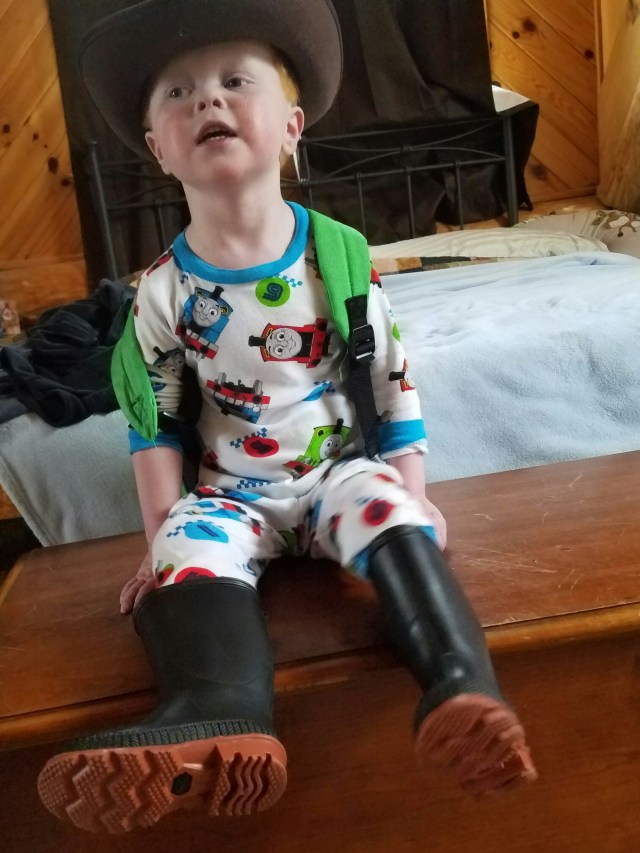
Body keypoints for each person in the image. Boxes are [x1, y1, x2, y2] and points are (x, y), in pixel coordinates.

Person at [37, 0, 536, 834]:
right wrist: (160, 539)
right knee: (188, 548)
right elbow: (153, 421)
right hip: (229, 492)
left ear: (292, 128)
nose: (208, 99)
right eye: (179, 92)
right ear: (159, 149)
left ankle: (462, 684)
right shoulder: (160, 292)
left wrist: (415, 492)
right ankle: (218, 711)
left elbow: (390, 383)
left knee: (391, 512)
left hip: (337, 473)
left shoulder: (337, 256)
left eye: (237, 81)